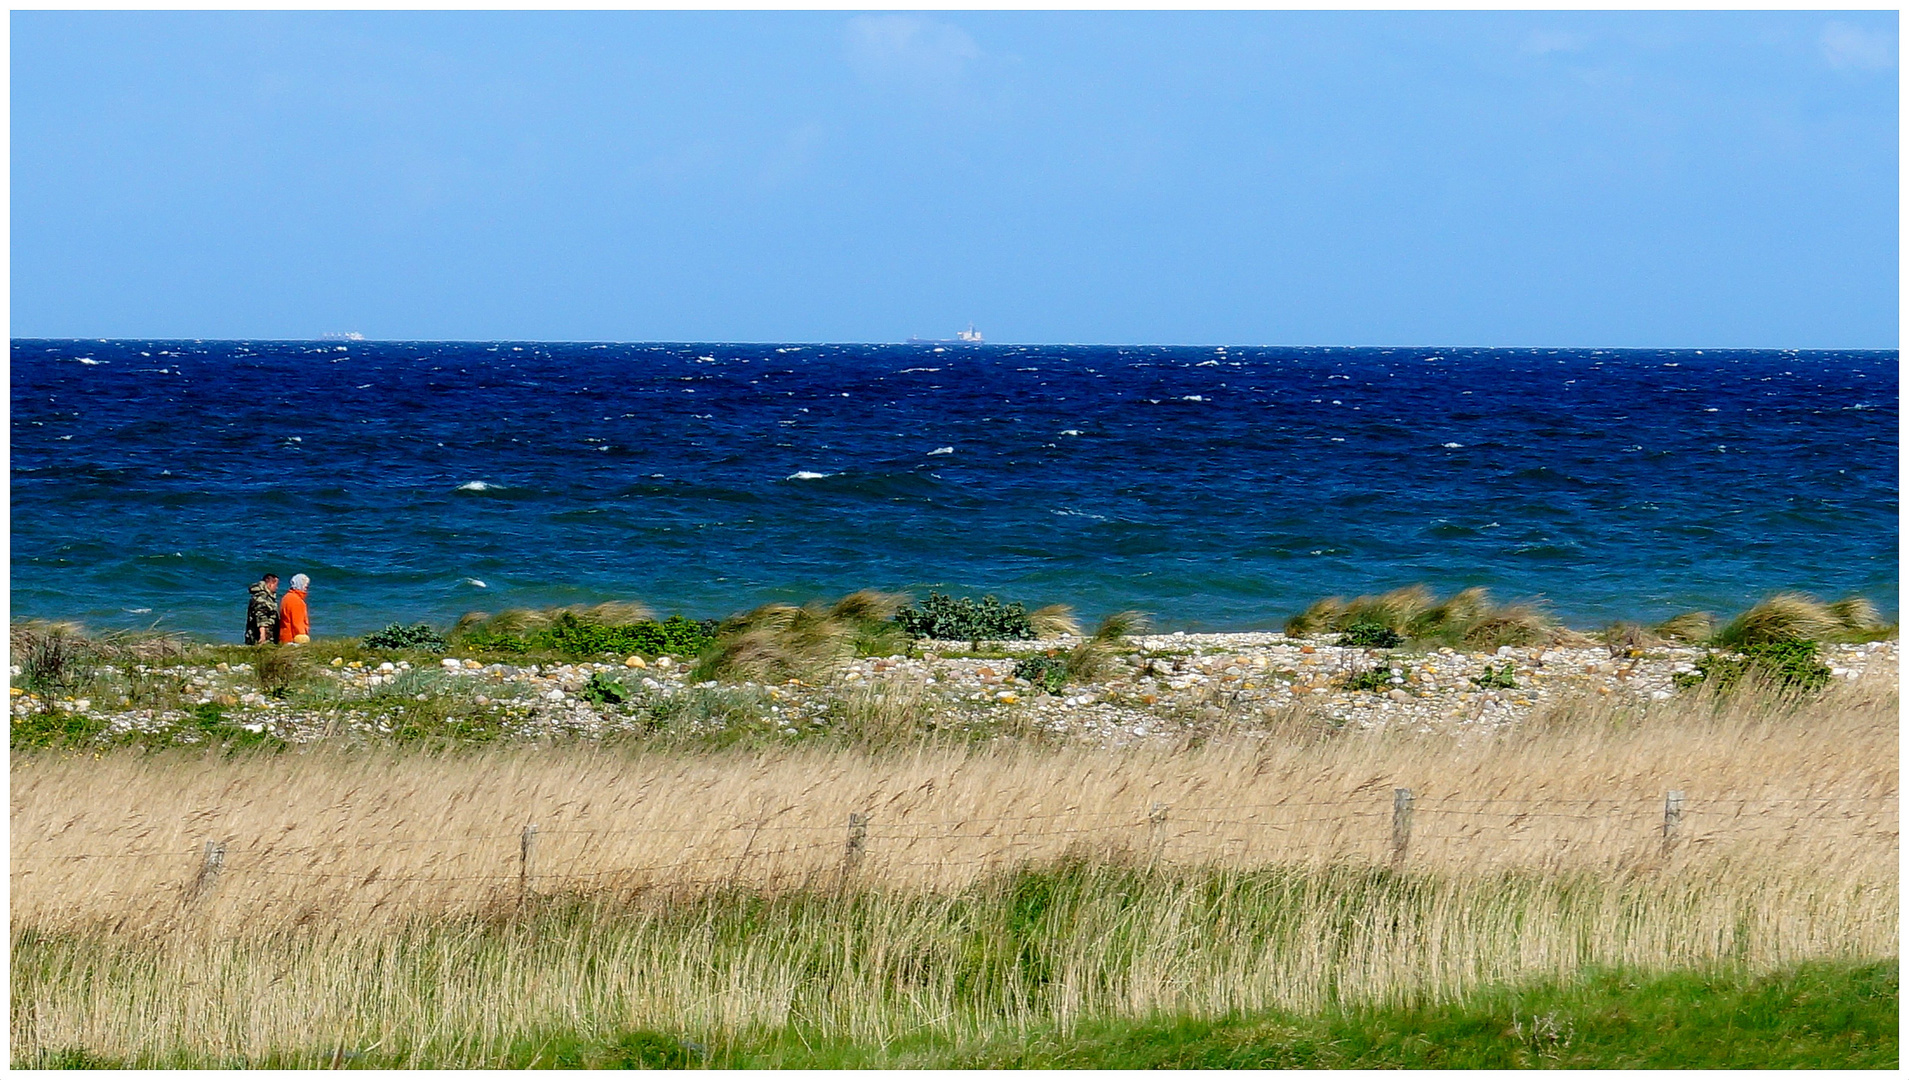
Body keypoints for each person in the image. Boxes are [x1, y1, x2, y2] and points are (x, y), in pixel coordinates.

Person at [244, 573, 280, 645]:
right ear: (270, 584)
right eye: (276, 585)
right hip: (259, 637)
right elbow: (261, 616)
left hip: (266, 635)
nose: (277, 588)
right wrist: (262, 635)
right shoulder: (262, 597)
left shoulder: (266, 597)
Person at [277, 573, 311, 644]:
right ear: (300, 584)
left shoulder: (287, 597)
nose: (306, 588)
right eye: (306, 585)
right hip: (292, 640)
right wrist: (303, 640)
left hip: (284, 637)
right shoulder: (296, 600)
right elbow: (298, 624)